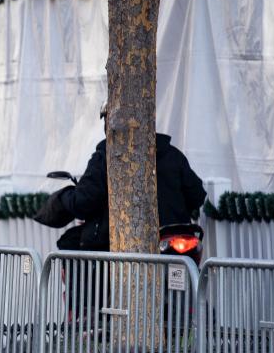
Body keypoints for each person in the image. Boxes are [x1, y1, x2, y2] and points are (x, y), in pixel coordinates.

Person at [57, 103, 207, 250]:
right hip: (172, 241)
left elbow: (83, 201)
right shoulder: (172, 154)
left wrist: (63, 197)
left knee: (68, 243)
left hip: (124, 244)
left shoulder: (106, 157)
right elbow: (197, 195)